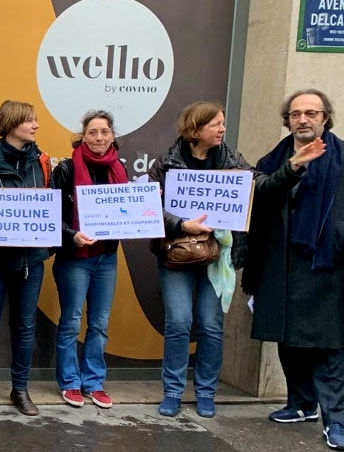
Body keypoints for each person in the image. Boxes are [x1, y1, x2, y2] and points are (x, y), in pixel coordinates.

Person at [147, 101, 258, 418]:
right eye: (216, 124)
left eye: (223, 123)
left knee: (211, 325)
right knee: (179, 323)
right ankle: (172, 391)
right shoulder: (166, 164)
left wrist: (282, 174)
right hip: (177, 255)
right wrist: (182, 225)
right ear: (195, 129)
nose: (223, 129)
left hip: (217, 256)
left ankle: (206, 393)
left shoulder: (232, 160)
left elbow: (257, 185)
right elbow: (151, 208)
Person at [243, 89, 340, 448]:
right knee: (288, 338)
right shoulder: (276, 157)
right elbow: (261, 193)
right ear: (288, 119)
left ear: (325, 118)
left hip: (327, 265)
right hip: (282, 264)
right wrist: (294, 166)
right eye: (297, 113)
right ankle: (301, 404)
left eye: (311, 113)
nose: (303, 119)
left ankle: (338, 420)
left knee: (328, 347)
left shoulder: (342, 158)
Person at [0, 100, 52, 417]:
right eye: (29, 120)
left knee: (25, 326)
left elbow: (50, 209)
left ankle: (20, 389)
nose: (35, 125)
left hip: (31, 262)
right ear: (12, 124)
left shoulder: (43, 163)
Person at [49, 110, 128, 410]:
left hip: (106, 257)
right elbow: (53, 213)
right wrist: (72, 235)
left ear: (112, 135)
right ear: (83, 135)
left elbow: (127, 211)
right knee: (70, 321)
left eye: (104, 131)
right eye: (93, 132)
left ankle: (93, 381)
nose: (99, 138)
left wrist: (145, 202)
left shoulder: (118, 169)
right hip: (75, 257)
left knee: (99, 323)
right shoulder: (67, 169)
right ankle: (70, 382)